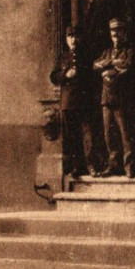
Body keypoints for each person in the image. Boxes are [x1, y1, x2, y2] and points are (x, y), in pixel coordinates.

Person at [93, 17, 135, 177]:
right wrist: (113, 63)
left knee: (125, 134)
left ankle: (129, 166)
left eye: (118, 31)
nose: (115, 34)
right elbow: (95, 65)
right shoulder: (107, 51)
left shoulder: (129, 51)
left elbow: (127, 67)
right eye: (113, 32)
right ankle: (113, 165)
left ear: (124, 32)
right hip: (106, 99)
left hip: (121, 99)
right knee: (109, 135)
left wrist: (108, 68)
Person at [50, 25, 94, 178]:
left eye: (76, 36)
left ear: (79, 38)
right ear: (66, 39)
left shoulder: (86, 56)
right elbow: (53, 77)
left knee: (88, 135)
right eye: (70, 37)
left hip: (84, 101)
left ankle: (91, 166)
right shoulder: (62, 57)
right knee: (71, 136)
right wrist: (65, 74)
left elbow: (92, 77)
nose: (73, 40)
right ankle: (76, 167)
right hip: (68, 102)